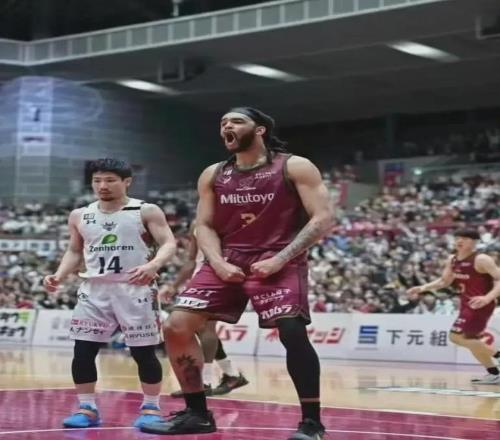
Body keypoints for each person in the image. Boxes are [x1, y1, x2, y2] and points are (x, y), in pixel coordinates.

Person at [141, 107, 333, 439]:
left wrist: (280, 259)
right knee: (176, 326)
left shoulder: (294, 166)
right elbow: (203, 225)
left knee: (291, 331)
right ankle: (197, 415)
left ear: (259, 130)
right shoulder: (213, 174)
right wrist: (217, 262)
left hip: (279, 258)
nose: (227, 125)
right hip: (227, 258)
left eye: (237, 121)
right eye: (223, 123)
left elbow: (323, 218)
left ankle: (312, 424)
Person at [44, 158, 177, 428]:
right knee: (82, 351)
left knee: (143, 353)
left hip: (135, 288)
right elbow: (74, 251)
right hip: (94, 289)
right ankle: (87, 409)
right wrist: (59, 275)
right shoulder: (80, 215)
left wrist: (153, 265)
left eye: (109, 180)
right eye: (97, 180)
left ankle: (151, 408)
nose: (102, 185)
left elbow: (169, 243)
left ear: (127, 181)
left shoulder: (145, 210)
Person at [160, 222, 249, 397]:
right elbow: (191, 261)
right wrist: (174, 285)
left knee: (206, 328)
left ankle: (205, 382)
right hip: (199, 278)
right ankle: (231, 374)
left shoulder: (228, 218)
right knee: (196, 328)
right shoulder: (197, 222)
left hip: (220, 275)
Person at [408, 229, 500, 383]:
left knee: (455, 337)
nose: (460, 241)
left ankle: (498, 357)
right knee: (471, 340)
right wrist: (422, 288)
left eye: (465, 238)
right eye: (458, 237)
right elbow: (444, 281)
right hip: (466, 303)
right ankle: (494, 373)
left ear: (475, 242)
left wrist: (488, 297)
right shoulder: (452, 259)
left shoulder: (481, 259)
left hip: (480, 304)